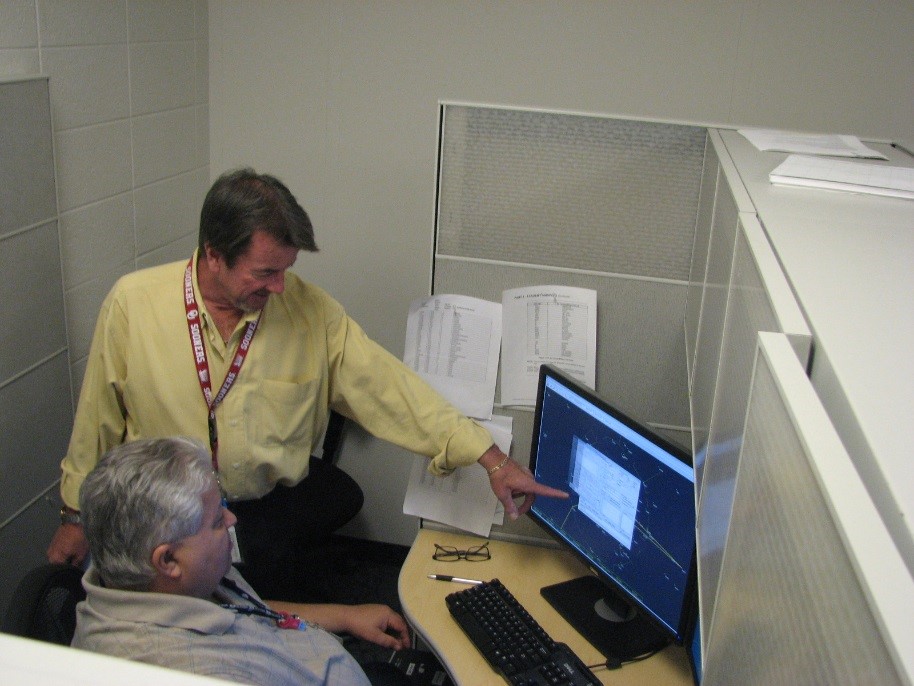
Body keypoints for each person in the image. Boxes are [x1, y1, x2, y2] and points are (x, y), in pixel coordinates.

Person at [49, 167, 567, 595]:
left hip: (261, 514)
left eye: (287, 270)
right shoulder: (133, 304)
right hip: (163, 524)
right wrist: (75, 517)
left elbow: (390, 391)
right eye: (264, 273)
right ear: (213, 254)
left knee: (263, 633)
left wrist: (492, 459)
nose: (280, 287)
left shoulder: (310, 312)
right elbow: (97, 420)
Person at [73, 437, 413, 686]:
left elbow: (246, 611)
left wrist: (345, 616)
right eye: (216, 521)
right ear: (168, 559)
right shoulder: (201, 673)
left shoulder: (154, 581)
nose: (232, 519)